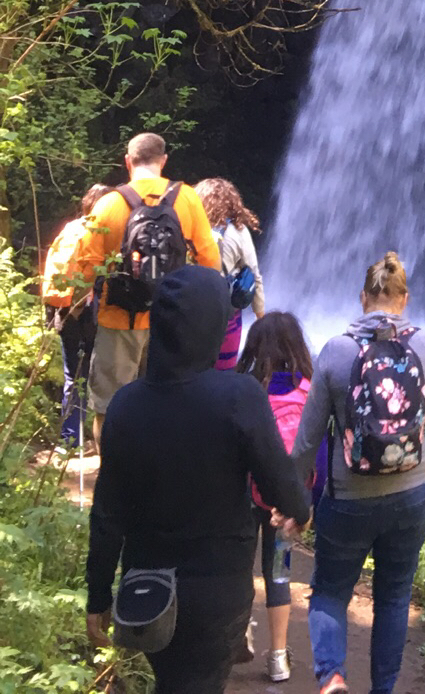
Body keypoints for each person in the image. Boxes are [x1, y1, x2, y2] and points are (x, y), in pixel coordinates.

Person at [86, 264, 310, 693]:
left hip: (145, 592)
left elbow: (107, 514)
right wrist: (300, 510)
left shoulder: (125, 406)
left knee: (171, 681)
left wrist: (98, 594)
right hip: (216, 591)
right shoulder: (238, 396)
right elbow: (280, 482)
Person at [291, 251, 425, 694]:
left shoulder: (336, 350)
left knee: (329, 589)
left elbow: (307, 441)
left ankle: (332, 677)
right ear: (404, 299)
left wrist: (295, 501)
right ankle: (382, 690)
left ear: (363, 298)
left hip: (347, 500)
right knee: (394, 596)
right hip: (412, 495)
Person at [71, 132, 223, 445]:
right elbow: (211, 262)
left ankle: (115, 480)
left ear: (127, 161)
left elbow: (85, 269)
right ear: (164, 160)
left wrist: (79, 310)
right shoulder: (187, 199)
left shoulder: (108, 205)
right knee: (168, 403)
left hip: (118, 321)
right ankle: (160, 481)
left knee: (109, 408)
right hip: (171, 319)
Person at [237, 312, 313, 684]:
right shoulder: (308, 391)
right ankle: (279, 658)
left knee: (239, 567)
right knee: (278, 575)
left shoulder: (247, 389)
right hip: (286, 502)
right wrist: (307, 500)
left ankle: (237, 634)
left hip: (246, 496)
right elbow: (317, 450)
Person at [41, 183, 109, 449]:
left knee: (74, 374)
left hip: (65, 310)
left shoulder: (70, 229)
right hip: (92, 313)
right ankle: (102, 438)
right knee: (101, 375)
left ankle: (70, 440)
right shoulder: (102, 233)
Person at [194, 179, 266, 370]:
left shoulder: (192, 230)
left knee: (194, 368)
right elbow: (254, 275)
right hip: (228, 313)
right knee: (224, 371)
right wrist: (261, 318)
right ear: (232, 202)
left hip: (194, 310)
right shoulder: (239, 232)